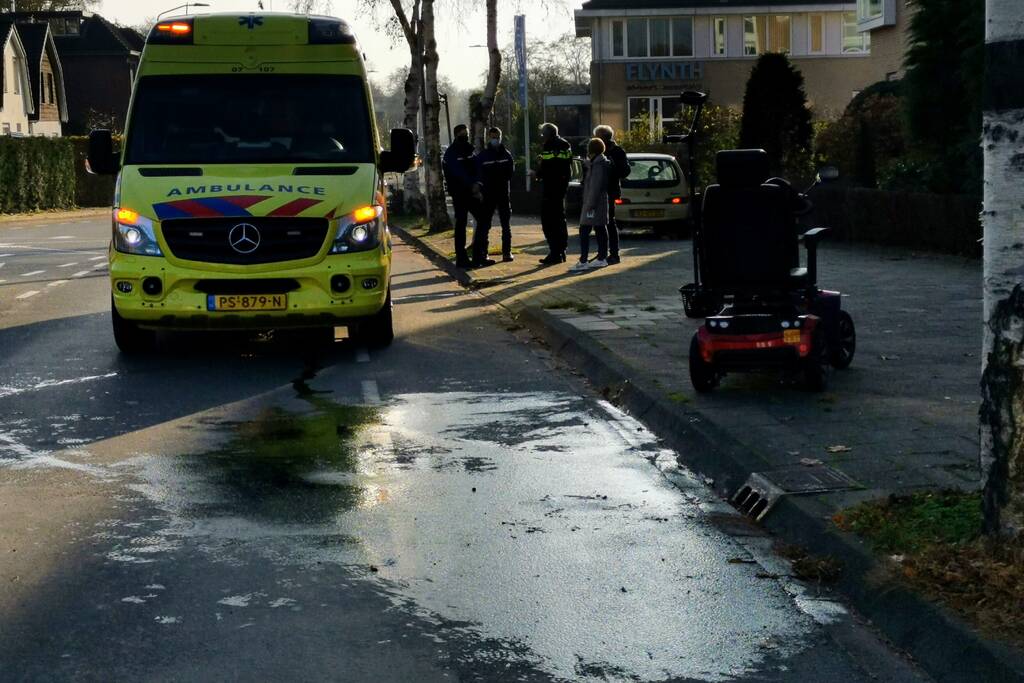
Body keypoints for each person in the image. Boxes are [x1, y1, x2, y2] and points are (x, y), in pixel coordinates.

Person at [473, 126, 515, 265]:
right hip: (488, 195)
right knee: (485, 225)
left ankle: (507, 252)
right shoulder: (483, 156)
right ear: (488, 138)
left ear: (500, 137)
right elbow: (479, 174)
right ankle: (482, 255)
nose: (495, 139)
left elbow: (510, 173)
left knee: (505, 224)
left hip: (503, 193)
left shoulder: (506, 154)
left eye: (497, 137)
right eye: (492, 137)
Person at [570, 138, 613, 272]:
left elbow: (595, 186)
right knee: (600, 228)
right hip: (598, 203)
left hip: (594, 204)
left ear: (591, 150)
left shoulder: (598, 165)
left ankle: (584, 260)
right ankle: (601, 257)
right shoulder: (598, 163)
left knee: (584, 230)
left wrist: (589, 204)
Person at [533, 122, 573, 265]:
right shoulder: (566, 144)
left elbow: (548, 167)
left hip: (551, 188)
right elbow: (565, 165)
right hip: (561, 188)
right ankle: (561, 251)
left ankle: (555, 252)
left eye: (543, 134)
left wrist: (537, 172)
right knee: (560, 220)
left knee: (548, 221)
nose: (541, 137)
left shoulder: (550, 145)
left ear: (548, 134)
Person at [442, 124, 479, 269]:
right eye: (464, 134)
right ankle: (461, 257)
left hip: (471, 192)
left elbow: (476, 167)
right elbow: (458, 174)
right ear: (457, 135)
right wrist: (472, 184)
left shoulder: (469, 149)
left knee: (482, 219)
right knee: (461, 224)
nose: (466, 136)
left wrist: (478, 184)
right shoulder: (451, 154)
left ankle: (478, 254)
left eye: (467, 134)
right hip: (459, 193)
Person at [594, 125, 629, 265]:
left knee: (608, 222)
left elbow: (625, 171)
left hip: (609, 191)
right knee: (601, 223)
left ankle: (613, 254)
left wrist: (611, 168)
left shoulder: (616, 151)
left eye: (596, 136)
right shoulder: (599, 151)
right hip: (601, 190)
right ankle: (603, 253)